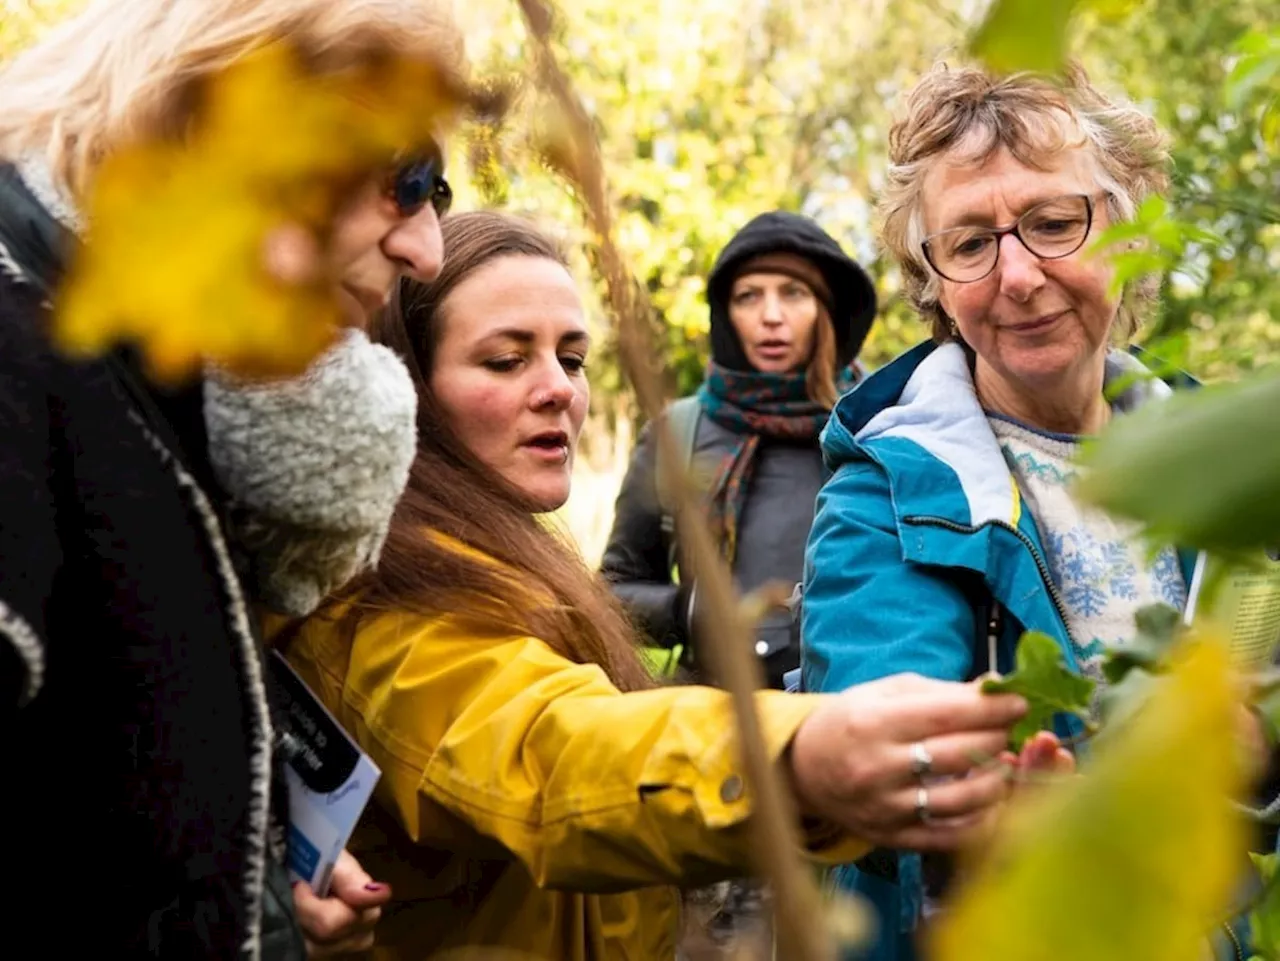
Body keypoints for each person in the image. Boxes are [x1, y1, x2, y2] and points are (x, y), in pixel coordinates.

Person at [276, 210, 1043, 959]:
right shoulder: (387, 589)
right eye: (507, 360)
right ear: (402, 384)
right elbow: (552, 752)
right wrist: (783, 739)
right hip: (714, 771)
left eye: (571, 358)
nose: (559, 391)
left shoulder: (873, 441)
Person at [0, 0, 463, 955]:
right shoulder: (17, 358)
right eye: (407, 178)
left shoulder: (148, 399)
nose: (428, 251)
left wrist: (241, 887)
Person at [800, 63, 1273, 961]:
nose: (1017, 275)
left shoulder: (1218, 474)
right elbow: (885, 743)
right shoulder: (884, 492)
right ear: (931, 279)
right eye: (971, 244)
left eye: (1054, 223)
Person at [601, 211, 877, 690]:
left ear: (826, 310)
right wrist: (684, 609)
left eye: (793, 292)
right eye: (749, 296)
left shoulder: (878, 424)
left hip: (855, 712)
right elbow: (607, 595)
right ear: (726, 315)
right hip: (718, 727)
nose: (771, 316)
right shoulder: (677, 434)